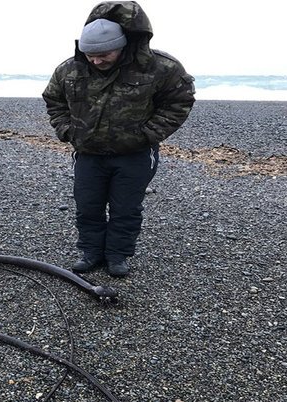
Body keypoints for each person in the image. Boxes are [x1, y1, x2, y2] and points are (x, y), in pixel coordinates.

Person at [43, 1, 195, 277]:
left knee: (126, 208)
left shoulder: (160, 67)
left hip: (135, 154)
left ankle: (117, 256)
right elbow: (54, 100)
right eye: (91, 55)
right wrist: (67, 130)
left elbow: (179, 101)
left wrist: (148, 134)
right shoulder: (69, 70)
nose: (96, 61)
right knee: (88, 205)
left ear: (123, 45)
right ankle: (91, 252)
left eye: (104, 54)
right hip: (88, 153)